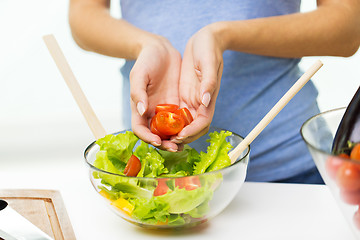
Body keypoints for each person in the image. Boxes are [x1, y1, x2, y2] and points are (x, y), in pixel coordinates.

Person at [68, 0, 360, 184]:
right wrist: (145, 44)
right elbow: (84, 13)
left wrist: (225, 35)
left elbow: (348, 26)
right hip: (156, 174)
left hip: (288, 167)